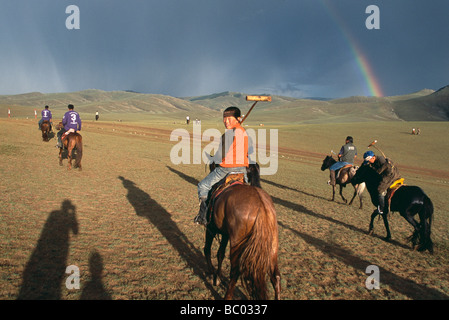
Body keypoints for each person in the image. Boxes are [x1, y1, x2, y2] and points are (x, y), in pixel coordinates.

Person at [194, 106, 249, 225]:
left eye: (229, 119)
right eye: (224, 118)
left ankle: (202, 216)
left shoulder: (230, 133)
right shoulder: (243, 131)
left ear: (238, 119)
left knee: (203, 186)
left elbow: (220, 156)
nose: (226, 121)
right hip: (242, 170)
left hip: (227, 168)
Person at [363, 150, 401, 215]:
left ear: (373, 158)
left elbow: (379, 171)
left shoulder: (381, 160)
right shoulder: (376, 160)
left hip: (390, 175)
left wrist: (375, 170)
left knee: (380, 189)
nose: (369, 162)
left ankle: (382, 208)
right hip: (390, 173)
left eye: (369, 161)